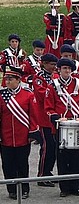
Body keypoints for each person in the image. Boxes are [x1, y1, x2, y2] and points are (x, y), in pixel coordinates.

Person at [44, 58, 79, 197]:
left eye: (69, 69)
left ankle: (76, 186)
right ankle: (64, 188)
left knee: (76, 157)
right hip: (60, 127)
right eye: (64, 68)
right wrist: (56, 118)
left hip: (75, 126)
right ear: (59, 70)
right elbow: (48, 106)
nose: (67, 71)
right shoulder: (52, 86)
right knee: (62, 158)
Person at [0, 66, 40, 200]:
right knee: (7, 165)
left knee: (22, 164)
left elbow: (33, 116)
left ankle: (24, 189)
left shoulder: (28, 95)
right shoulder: (2, 96)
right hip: (6, 138)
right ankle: (11, 189)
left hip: (23, 137)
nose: (7, 81)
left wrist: (32, 133)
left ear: (18, 80)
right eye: (6, 79)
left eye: (10, 79)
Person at [33, 53, 59, 187]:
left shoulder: (55, 77)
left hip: (54, 117)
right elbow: (43, 94)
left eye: (55, 65)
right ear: (44, 63)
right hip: (44, 118)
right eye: (51, 64)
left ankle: (48, 172)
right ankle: (42, 174)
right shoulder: (39, 78)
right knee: (46, 147)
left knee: (54, 148)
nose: (54, 67)